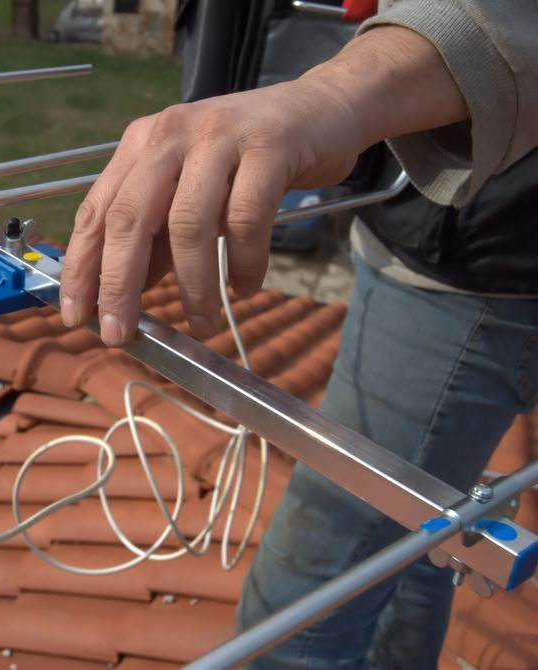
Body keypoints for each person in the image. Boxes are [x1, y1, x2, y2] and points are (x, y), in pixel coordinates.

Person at [58, 2, 538, 667]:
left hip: (483, 257)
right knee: (419, 544)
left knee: (296, 618)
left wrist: (333, 93)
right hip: (423, 223)